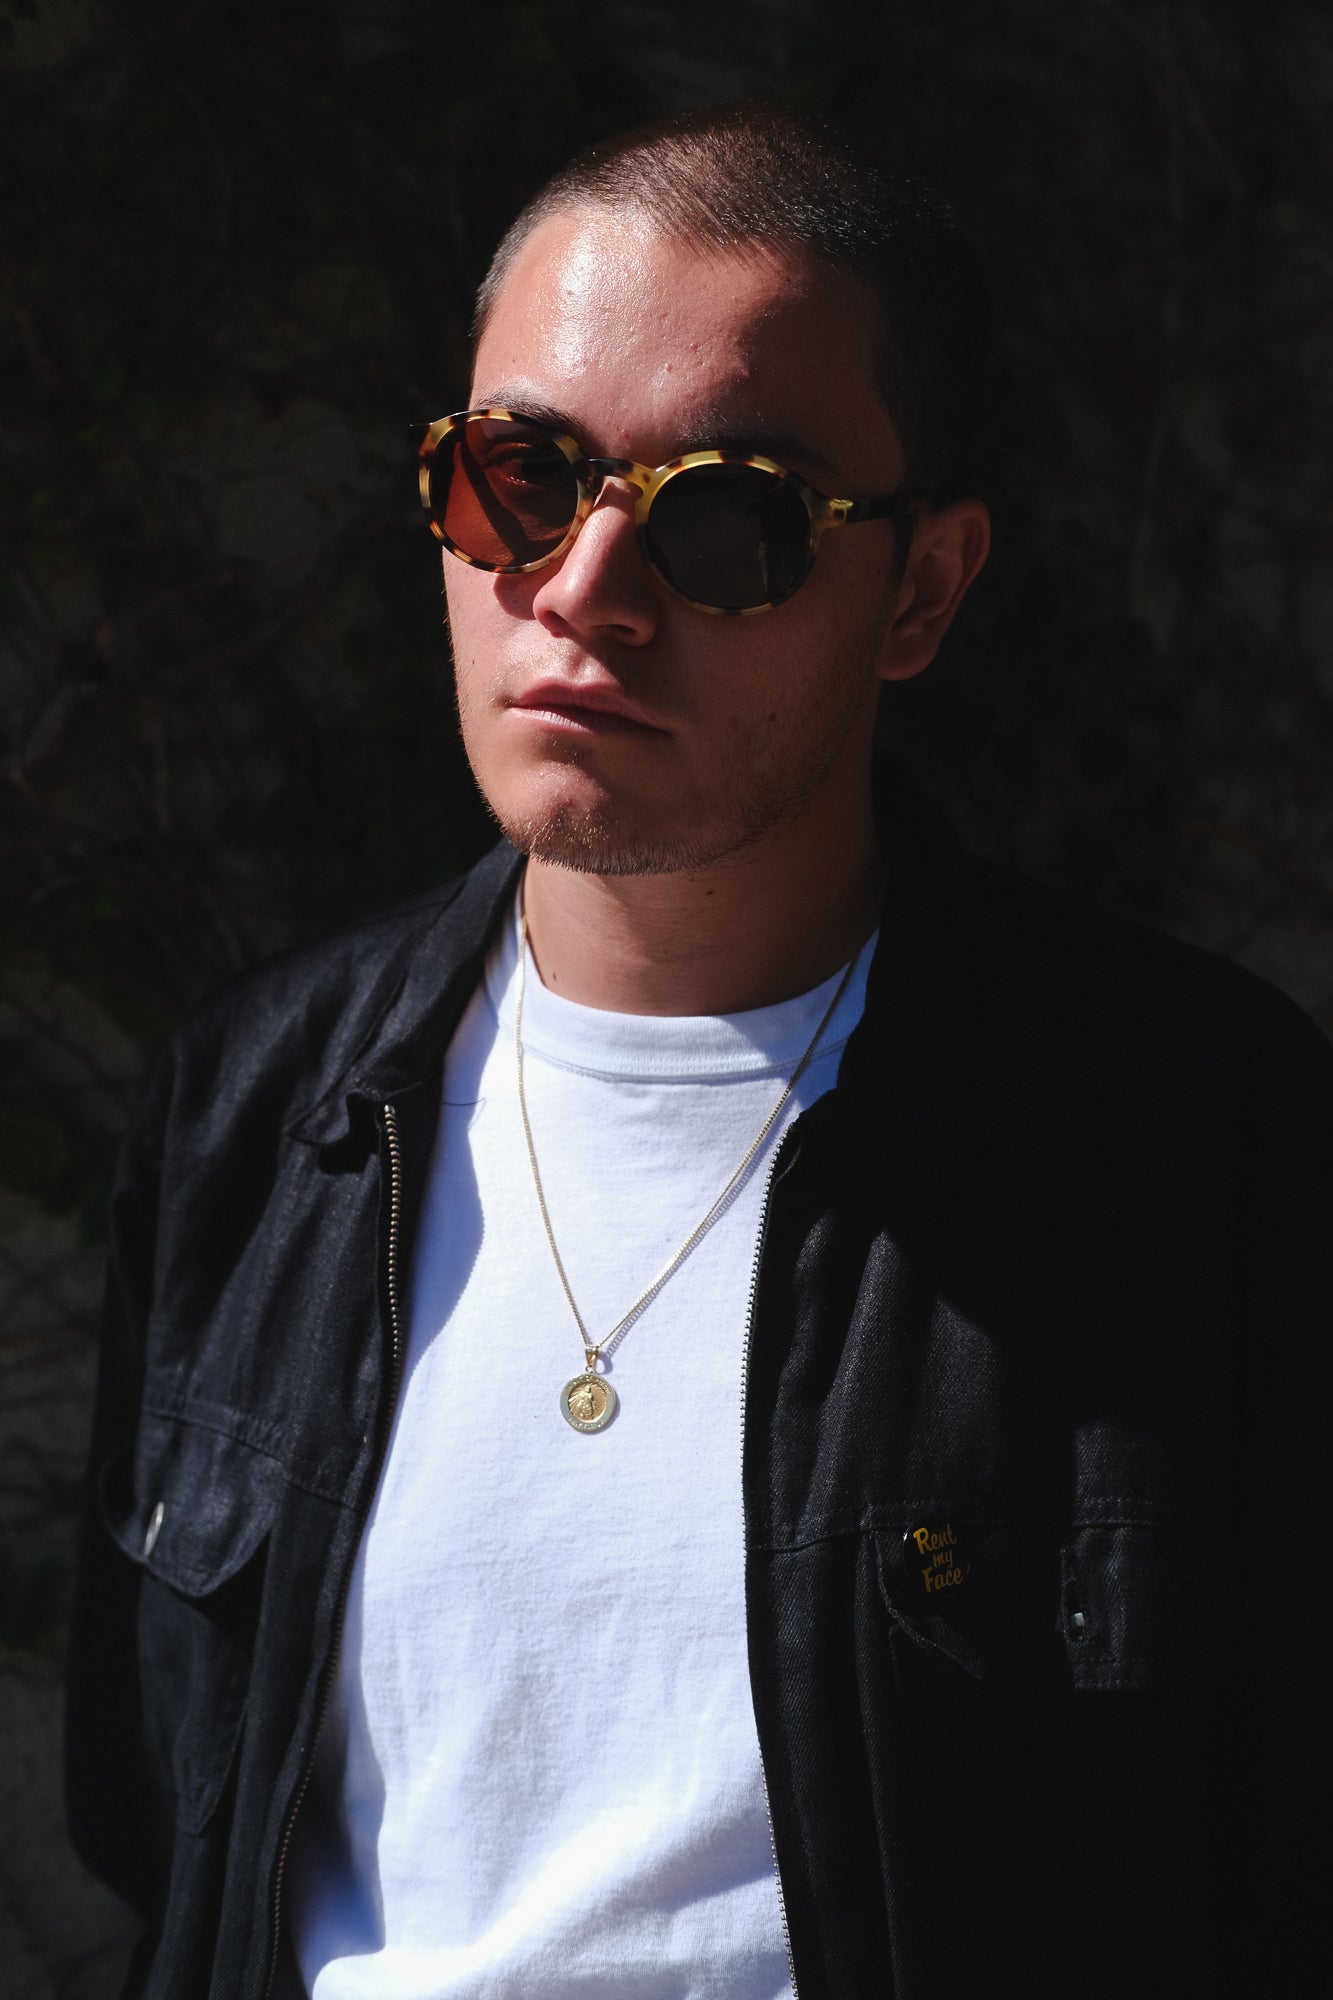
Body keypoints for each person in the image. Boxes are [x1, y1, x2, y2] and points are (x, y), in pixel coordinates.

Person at [66, 102, 1331, 1999]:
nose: (581, 587)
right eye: (519, 476)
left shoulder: (1185, 1137)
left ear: (921, 589)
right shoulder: (262, 1109)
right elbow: (157, 1812)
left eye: (729, 514)